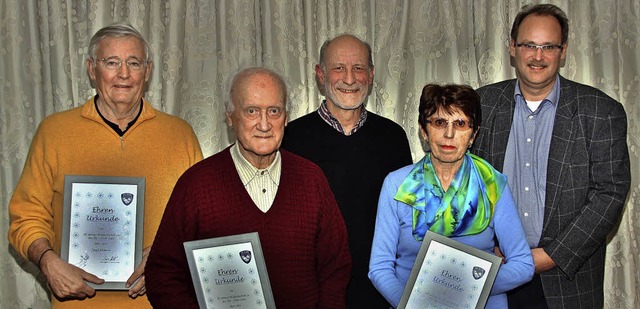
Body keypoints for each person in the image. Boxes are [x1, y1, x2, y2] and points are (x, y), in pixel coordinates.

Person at [7, 23, 203, 308]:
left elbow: (201, 222)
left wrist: (168, 254)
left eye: (133, 63)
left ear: (147, 72)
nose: (123, 73)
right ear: (91, 68)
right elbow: (26, 217)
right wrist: (47, 261)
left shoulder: (181, 135)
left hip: (160, 302)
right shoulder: (54, 132)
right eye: (111, 62)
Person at [145, 67, 352, 308]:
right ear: (230, 116)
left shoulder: (311, 179)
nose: (264, 124)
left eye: (274, 111)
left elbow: (336, 267)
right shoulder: (196, 185)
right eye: (251, 111)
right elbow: (163, 273)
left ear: (286, 117)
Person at [471, 4, 631, 308]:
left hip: (568, 282)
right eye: (529, 45)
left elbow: (609, 194)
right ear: (513, 48)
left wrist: (550, 256)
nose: (538, 56)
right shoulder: (481, 103)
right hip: (494, 273)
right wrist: (484, 243)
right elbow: (463, 179)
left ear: (563, 50)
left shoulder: (601, 111)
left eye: (548, 46)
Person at [369, 84, 534, 308]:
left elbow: (523, 265)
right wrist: (414, 304)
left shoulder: (493, 185)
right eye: (439, 122)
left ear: (473, 134)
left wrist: (463, 290)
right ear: (423, 131)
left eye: (460, 124)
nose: (449, 134)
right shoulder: (396, 185)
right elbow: (379, 267)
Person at [282, 34, 412, 308]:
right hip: (313, 293)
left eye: (359, 68)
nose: (350, 79)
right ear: (320, 74)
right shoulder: (289, 138)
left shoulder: (393, 137)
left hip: (379, 291)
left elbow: (406, 219)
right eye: (338, 68)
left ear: (372, 74)